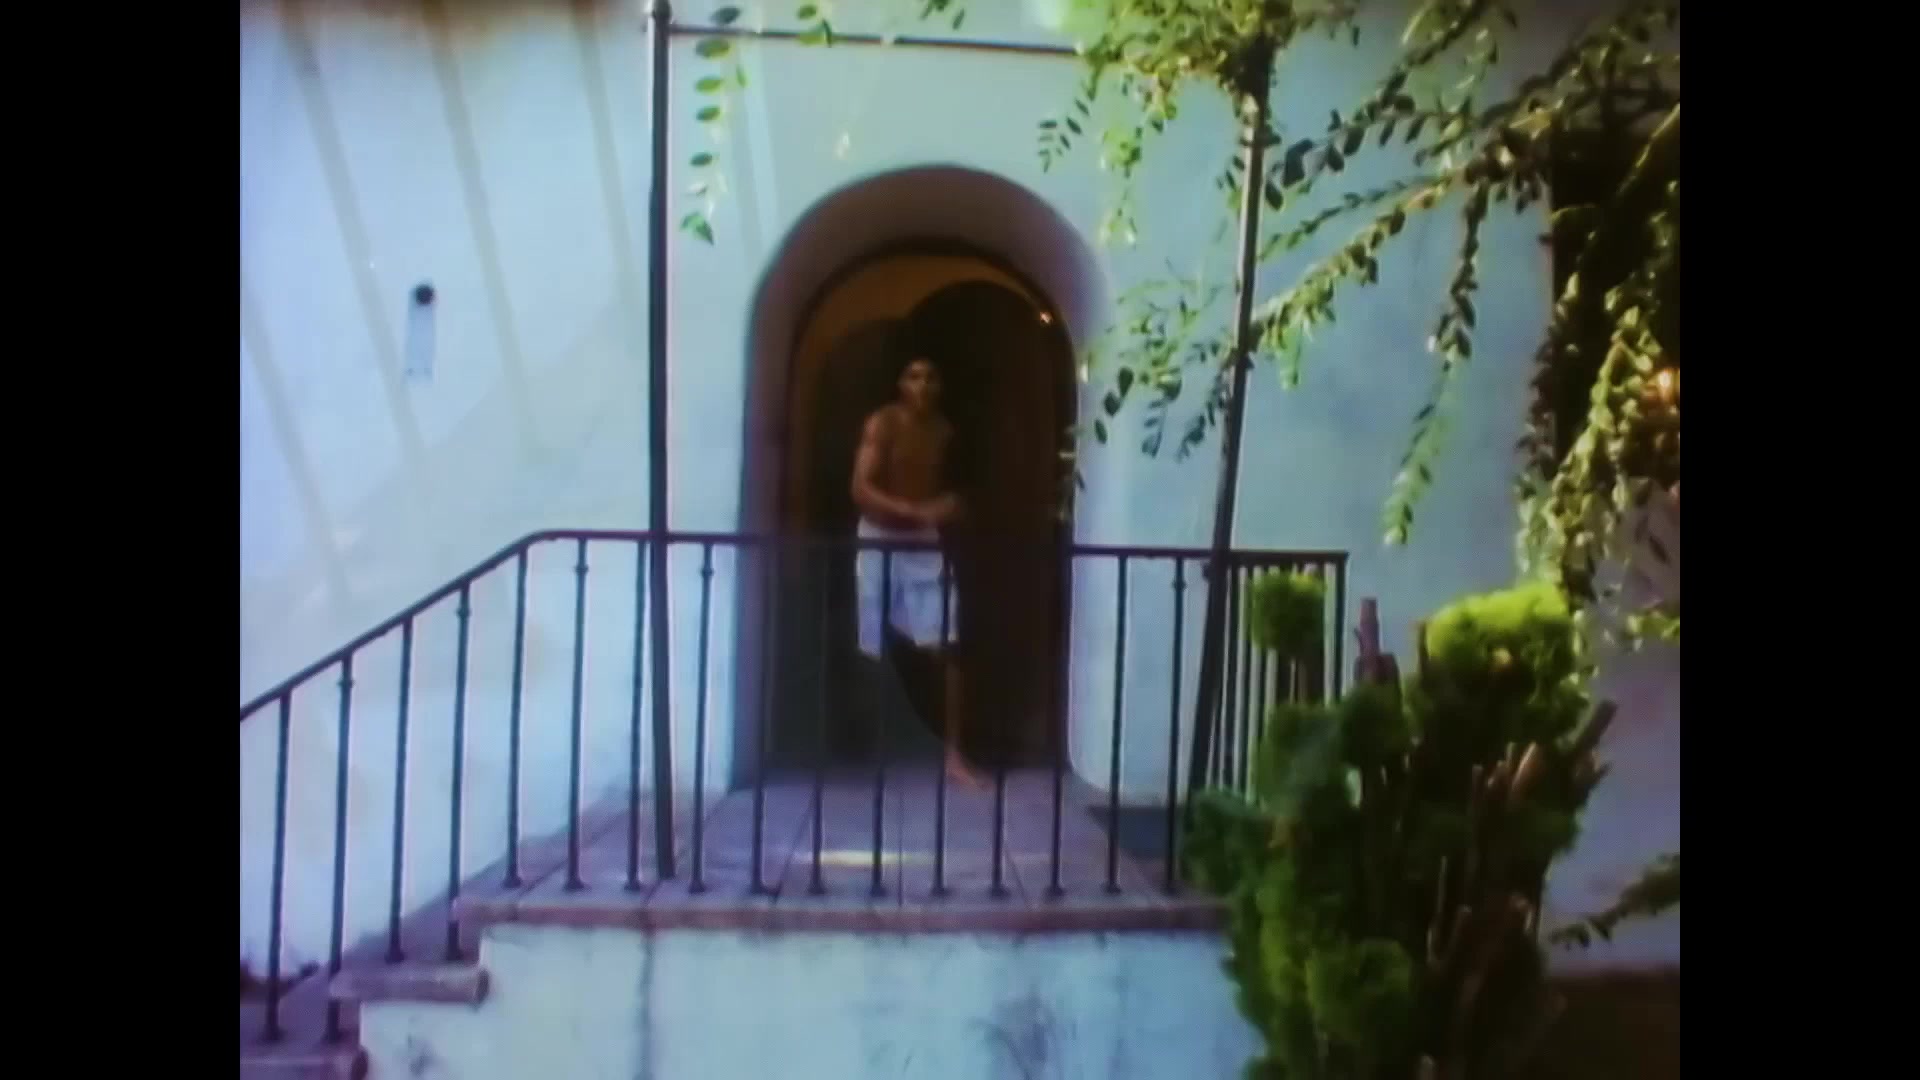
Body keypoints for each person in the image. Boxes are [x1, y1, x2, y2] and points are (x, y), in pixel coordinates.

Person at [850, 354, 982, 787]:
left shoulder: (946, 432)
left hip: (923, 544)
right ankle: (870, 749)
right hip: (879, 536)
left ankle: (954, 755)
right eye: (913, 376)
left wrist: (947, 507)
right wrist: (909, 509)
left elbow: (962, 494)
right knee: (873, 643)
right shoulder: (883, 423)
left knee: (948, 644)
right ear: (900, 383)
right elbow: (860, 487)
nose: (922, 386)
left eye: (931, 377)